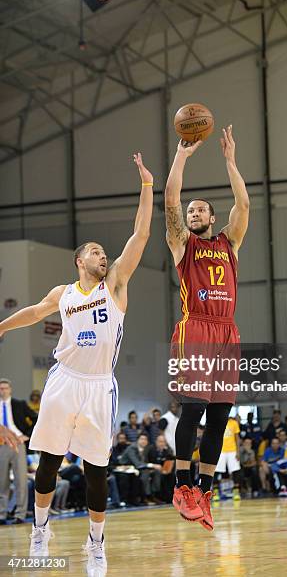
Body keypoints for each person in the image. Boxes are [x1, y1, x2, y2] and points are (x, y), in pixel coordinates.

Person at [0, 153, 153, 573]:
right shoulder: (63, 293)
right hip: (64, 379)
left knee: (96, 470)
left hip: (99, 384)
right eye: (97, 253)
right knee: (49, 461)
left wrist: (146, 187)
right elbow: (33, 312)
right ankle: (39, 532)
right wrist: (2, 327)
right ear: (79, 260)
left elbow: (140, 235)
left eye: (105, 254)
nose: (104, 258)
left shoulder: (116, 283)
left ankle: (96, 543)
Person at [165, 125, 249, 531]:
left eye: (200, 210)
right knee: (194, 409)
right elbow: (170, 201)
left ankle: (206, 491)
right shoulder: (184, 244)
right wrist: (182, 156)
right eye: (191, 210)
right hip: (195, 329)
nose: (194, 213)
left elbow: (244, 206)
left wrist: (230, 162)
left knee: (219, 416)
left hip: (228, 332)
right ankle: (182, 487)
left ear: (213, 218)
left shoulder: (228, 244)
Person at [0, 378, 38, 525]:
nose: (3, 390)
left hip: (17, 444)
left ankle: (20, 514)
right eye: (0, 388)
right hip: (1, 445)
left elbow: (36, 418)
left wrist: (27, 435)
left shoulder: (19, 404)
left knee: (21, 481)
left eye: (5, 388)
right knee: (1, 481)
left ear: (10, 390)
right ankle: (2, 514)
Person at [214, 416, 242, 502]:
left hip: (232, 450)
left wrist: (238, 451)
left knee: (236, 471)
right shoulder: (217, 422)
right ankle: (216, 493)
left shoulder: (234, 423)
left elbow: (237, 438)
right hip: (220, 450)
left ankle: (236, 492)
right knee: (216, 471)